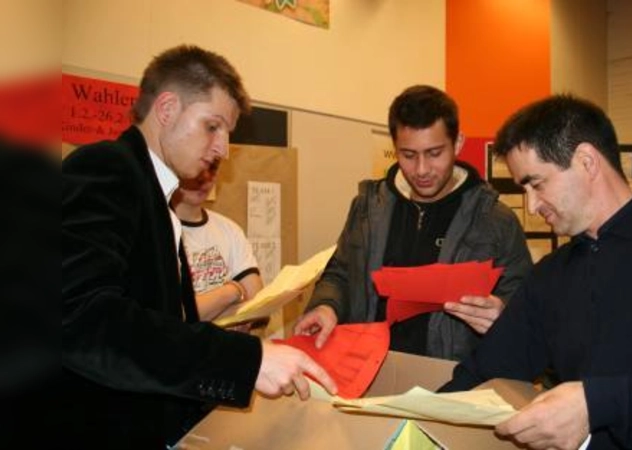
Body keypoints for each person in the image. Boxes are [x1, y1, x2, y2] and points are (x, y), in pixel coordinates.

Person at [62, 45, 336, 449]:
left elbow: (161, 322)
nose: (223, 149)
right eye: (213, 126)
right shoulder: (105, 169)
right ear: (167, 108)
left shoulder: (159, 200)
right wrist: (244, 360)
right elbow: (81, 319)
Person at [440, 95, 632, 450]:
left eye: (537, 184)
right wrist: (408, 420)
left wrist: (597, 404)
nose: (531, 206)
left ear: (586, 161)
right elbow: (483, 373)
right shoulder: (551, 275)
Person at [294, 85, 533, 361]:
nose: (421, 170)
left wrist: (503, 313)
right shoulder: (368, 208)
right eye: (408, 155)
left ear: (457, 144)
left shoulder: (495, 220)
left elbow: (524, 300)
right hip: (368, 372)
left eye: (434, 153)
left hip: (452, 383)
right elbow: (340, 273)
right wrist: (327, 306)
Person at [170, 166, 263, 322]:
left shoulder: (230, 230)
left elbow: (258, 307)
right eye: (198, 167)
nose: (205, 177)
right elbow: (172, 317)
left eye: (212, 167)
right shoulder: (156, 230)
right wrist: (232, 291)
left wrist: (208, 309)